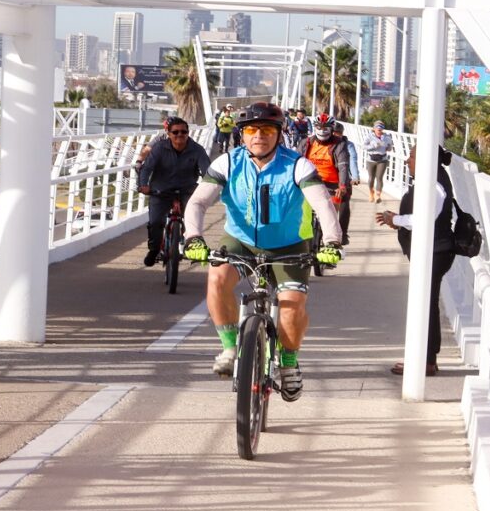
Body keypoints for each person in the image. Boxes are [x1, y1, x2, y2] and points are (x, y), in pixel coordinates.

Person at [182, 102, 343, 402]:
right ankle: (231, 347)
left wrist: (332, 242)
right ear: (242, 134)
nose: (260, 136)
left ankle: (290, 363)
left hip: (289, 244)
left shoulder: (297, 164)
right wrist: (193, 237)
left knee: (292, 306)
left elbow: (322, 204)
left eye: (268, 130)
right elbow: (197, 202)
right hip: (241, 240)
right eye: (252, 130)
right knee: (217, 279)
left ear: (279, 134)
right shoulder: (227, 163)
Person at [375, 145, 455, 377]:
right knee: (426, 304)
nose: (407, 160)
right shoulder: (430, 180)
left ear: (426, 160)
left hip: (435, 252)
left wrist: (397, 219)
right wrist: (397, 220)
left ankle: (426, 361)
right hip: (432, 251)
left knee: (425, 305)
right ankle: (426, 358)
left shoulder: (434, 183)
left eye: (412, 156)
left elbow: (425, 218)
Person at [137, 117, 210, 267]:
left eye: (183, 132)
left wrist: (209, 187)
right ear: (168, 133)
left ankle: (192, 244)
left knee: (192, 219)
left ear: (188, 133)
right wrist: (143, 185)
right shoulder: (159, 148)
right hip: (160, 190)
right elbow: (147, 169)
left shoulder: (197, 150)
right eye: (175, 132)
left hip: (187, 190)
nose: (179, 135)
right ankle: (154, 250)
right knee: (156, 222)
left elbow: (208, 172)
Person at [296, 114, 350, 209]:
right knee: (303, 214)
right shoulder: (306, 143)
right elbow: (295, 163)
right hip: (309, 182)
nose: (322, 130)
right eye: (319, 127)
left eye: (326, 128)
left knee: (330, 214)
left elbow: (343, 166)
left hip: (332, 185)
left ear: (332, 129)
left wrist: (342, 186)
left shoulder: (339, 145)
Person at [333, 121, 360, 245]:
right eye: (334, 133)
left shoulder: (348, 145)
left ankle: (343, 233)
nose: (336, 135)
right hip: (327, 179)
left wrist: (355, 177)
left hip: (343, 179)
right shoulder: (325, 144)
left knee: (344, 205)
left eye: (339, 133)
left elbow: (353, 161)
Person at [363, 120, 394, 203]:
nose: (379, 131)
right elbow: (364, 146)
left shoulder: (387, 137)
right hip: (371, 159)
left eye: (381, 129)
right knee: (371, 178)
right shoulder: (369, 136)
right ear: (374, 129)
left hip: (382, 159)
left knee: (379, 178)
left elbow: (390, 148)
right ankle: (371, 193)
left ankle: (378, 196)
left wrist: (388, 148)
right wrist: (373, 146)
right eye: (378, 129)